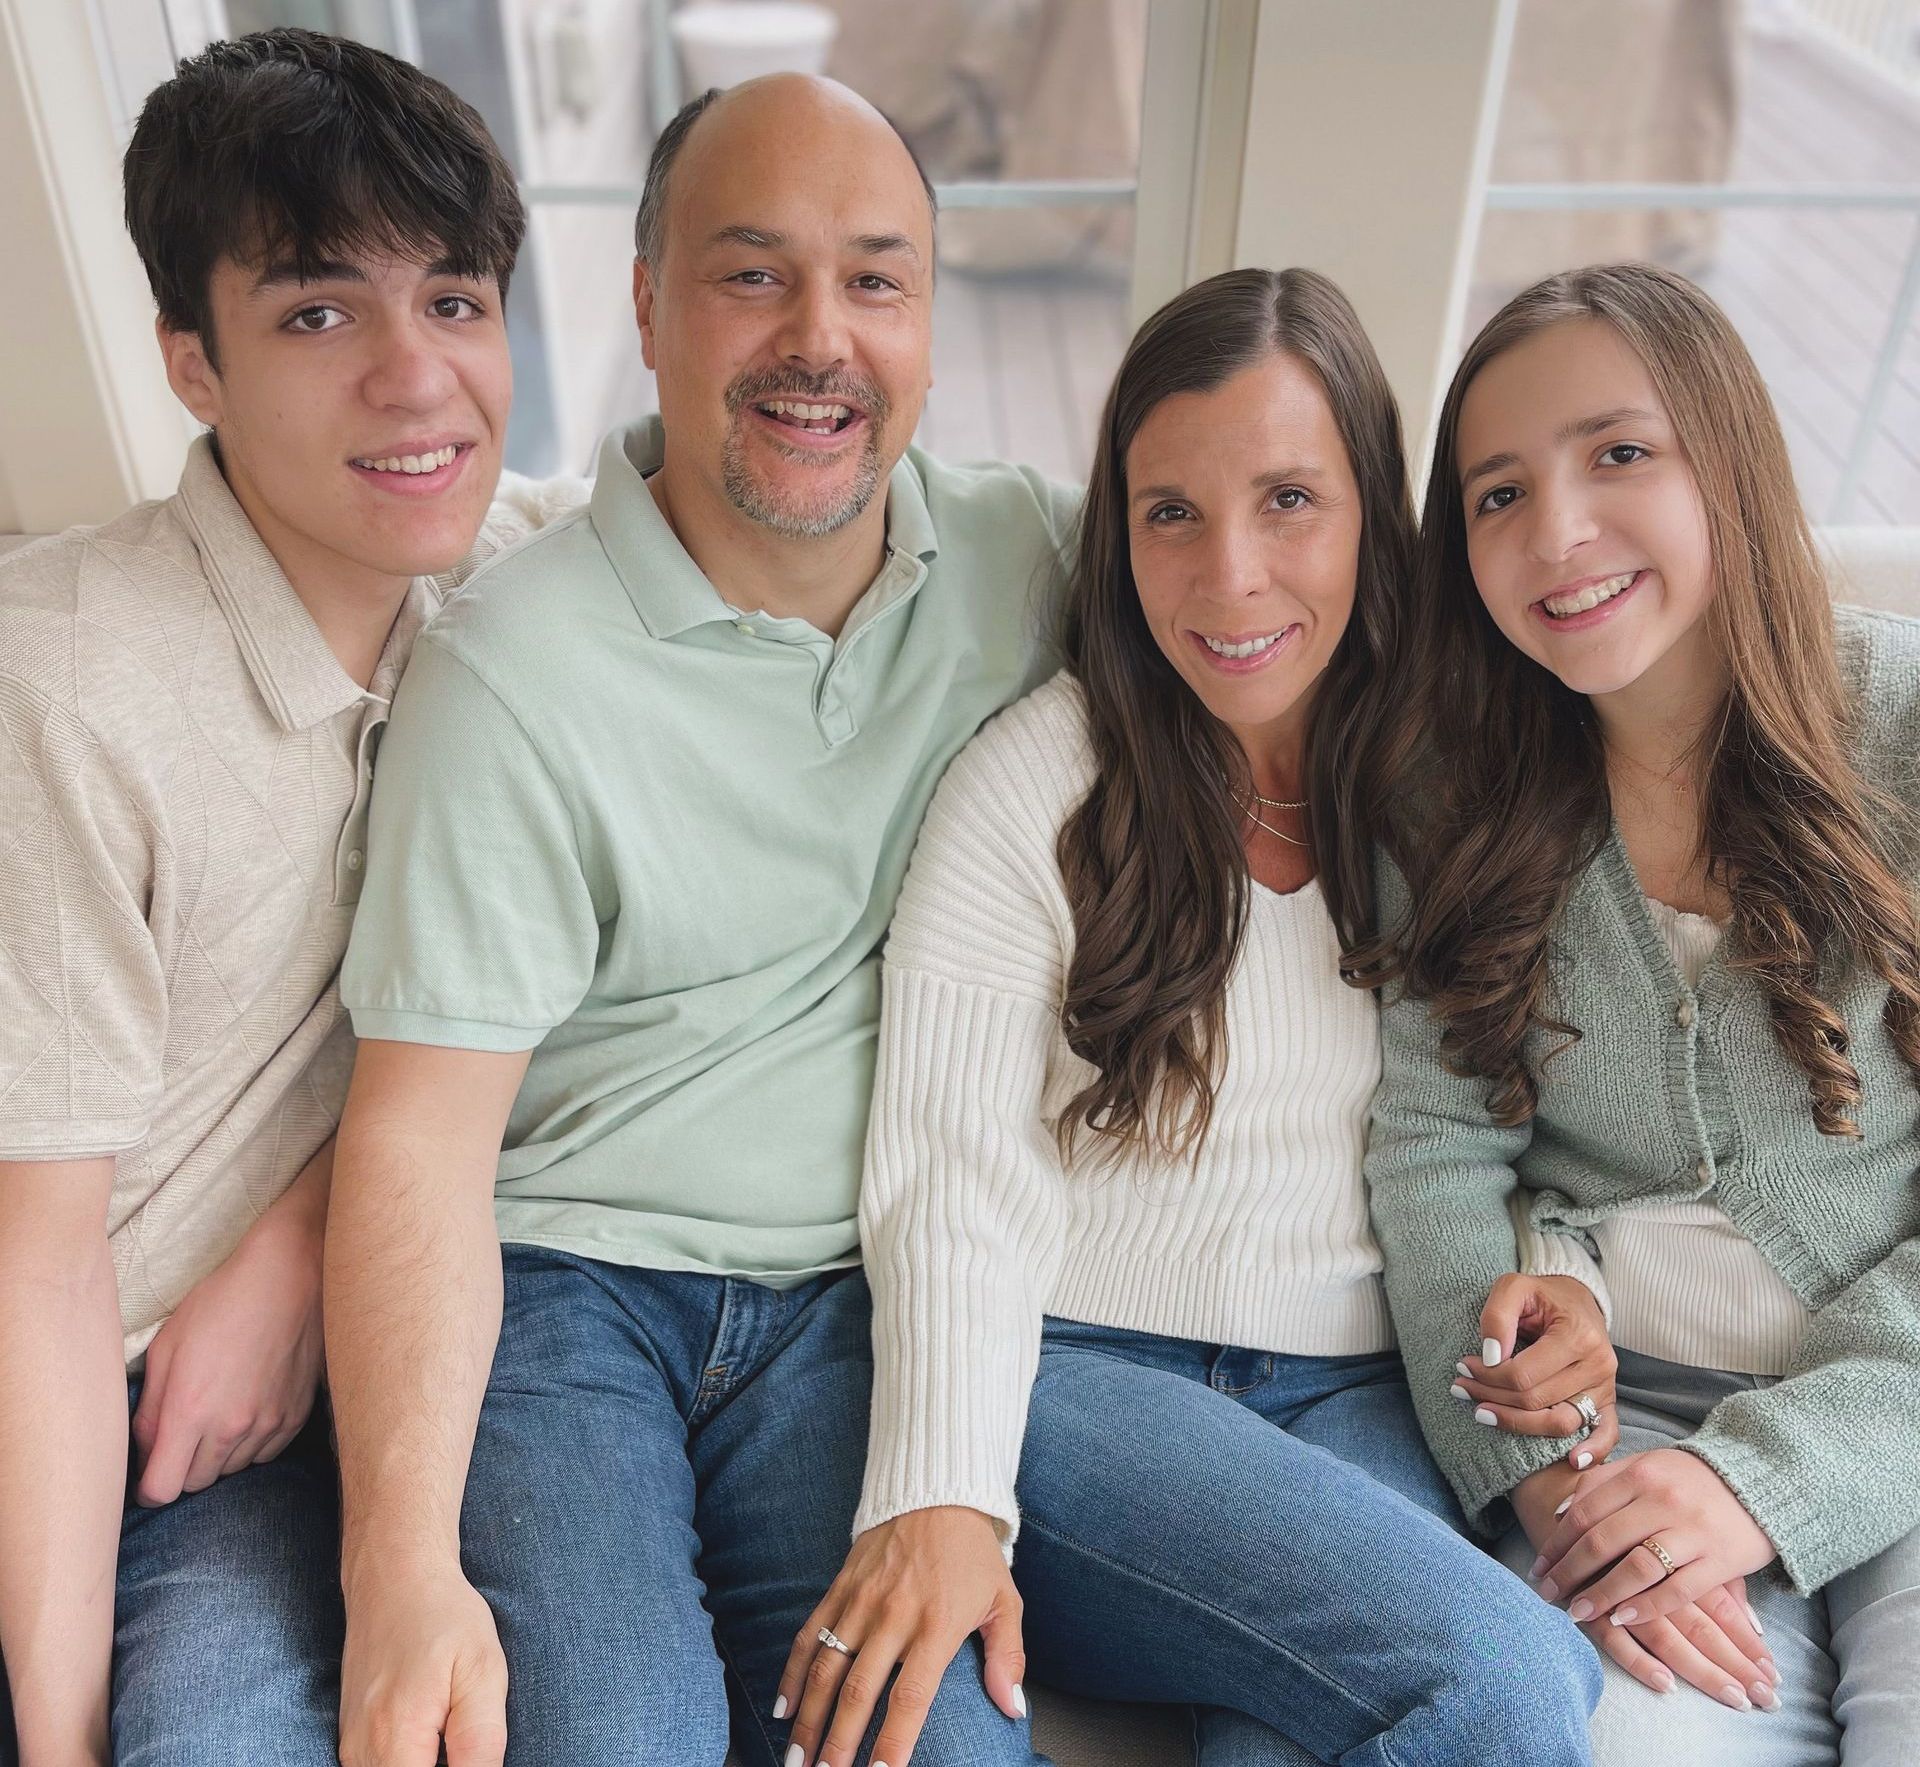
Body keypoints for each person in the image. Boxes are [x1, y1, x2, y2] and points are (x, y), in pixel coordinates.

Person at [323, 75, 1079, 1767]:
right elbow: (417, 1148)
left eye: (876, 280)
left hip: (851, 1302)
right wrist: (399, 1570)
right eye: (754, 275)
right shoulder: (507, 673)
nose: (823, 337)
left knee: (943, 1750)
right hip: (569, 1294)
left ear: (932, 325)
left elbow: (1299, 624)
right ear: (648, 304)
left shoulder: (1028, 561)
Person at [776, 267, 1606, 1767]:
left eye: (1289, 501)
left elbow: (1541, 1119)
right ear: (1120, 531)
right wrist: (940, 1491)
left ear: (1372, 513)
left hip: (1368, 1392)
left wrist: (1559, 1282)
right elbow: (952, 1176)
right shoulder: (1037, 787)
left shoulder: (1456, 788)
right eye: (1172, 514)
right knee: (1508, 1681)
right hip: (1086, 1387)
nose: (1228, 579)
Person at [0, 28, 547, 1767]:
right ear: (193, 365)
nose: (417, 380)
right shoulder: (67, 687)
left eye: (456, 303)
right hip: (65, 1386)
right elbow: (40, 1273)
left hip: (239, 1420)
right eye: (319, 314)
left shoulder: (523, 592)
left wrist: (306, 1238)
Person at [1368, 261, 1920, 1762]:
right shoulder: (1451, 796)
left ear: (1726, 461)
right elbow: (1432, 1162)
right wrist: (1542, 1477)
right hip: (1616, 1429)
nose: (1557, 534)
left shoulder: (1910, 733)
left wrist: (1772, 1484)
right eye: (1496, 494)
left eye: (1620, 453)